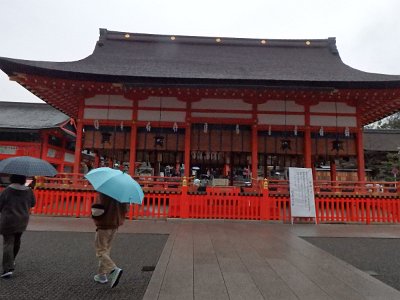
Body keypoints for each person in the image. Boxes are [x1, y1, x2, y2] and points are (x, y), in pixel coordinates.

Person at [0, 174, 36, 279]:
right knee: (17, 240)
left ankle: (7, 268)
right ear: (23, 179)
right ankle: (12, 260)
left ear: (12, 179)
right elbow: (33, 203)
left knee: (8, 242)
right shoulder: (28, 191)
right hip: (22, 219)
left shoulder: (7, 190)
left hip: (8, 219)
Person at [91, 192, 127, 288]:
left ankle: (113, 269)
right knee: (106, 250)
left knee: (100, 251)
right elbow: (126, 208)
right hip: (115, 224)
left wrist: (95, 218)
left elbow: (97, 209)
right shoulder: (122, 193)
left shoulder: (103, 192)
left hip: (104, 224)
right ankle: (101, 275)